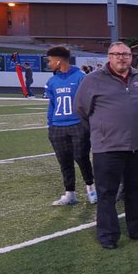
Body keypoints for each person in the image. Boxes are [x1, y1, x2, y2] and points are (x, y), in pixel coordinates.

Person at [73, 42, 138, 249]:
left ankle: (137, 229)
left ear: (131, 57)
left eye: (125, 54)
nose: (121, 58)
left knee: (136, 190)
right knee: (107, 193)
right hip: (108, 146)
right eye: (116, 54)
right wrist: (103, 130)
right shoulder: (93, 79)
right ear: (108, 56)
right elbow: (81, 110)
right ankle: (108, 236)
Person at [44, 45, 96, 206]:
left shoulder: (81, 77)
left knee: (81, 157)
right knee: (64, 161)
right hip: (57, 126)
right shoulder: (52, 80)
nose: (49, 64)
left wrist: (87, 123)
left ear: (59, 61)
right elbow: (52, 104)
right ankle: (70, 193)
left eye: (51, 61)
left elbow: (88, 102)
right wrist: (50, 124)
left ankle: (91, 188)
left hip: (77, 124)